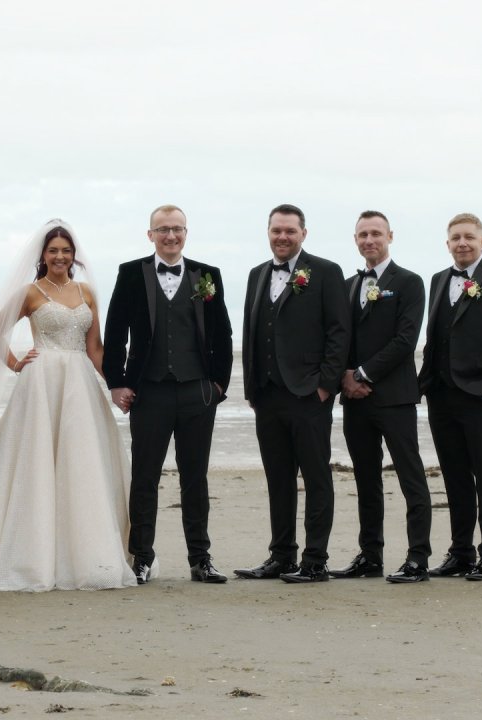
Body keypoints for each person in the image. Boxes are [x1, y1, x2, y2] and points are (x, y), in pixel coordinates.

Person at [0, 219, 138, 591]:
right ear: (43, 255)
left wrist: (116, 385)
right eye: (53, 250)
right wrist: (15, 363)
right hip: (41, 384)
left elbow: (95, 349)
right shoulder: (31, 292)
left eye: (66, 251)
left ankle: (84, 552)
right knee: (37, 463)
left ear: (74, 255)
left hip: (79, 386)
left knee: (81, 463)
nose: (60, 256)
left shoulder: (86, 292)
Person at [102, 204, 234, 585]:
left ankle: (200, 559)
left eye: (177, 229)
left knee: (195, 477)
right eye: (163, 229)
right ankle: (141, 557)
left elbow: (222, 332)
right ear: (151, 235)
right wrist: (117, 382)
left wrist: (218, 384)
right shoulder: (131, 273)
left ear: (186, 233)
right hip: (150, 392)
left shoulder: (207, 275)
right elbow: (115, 332)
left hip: (198, 392)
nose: (170, 235)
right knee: (145, 477)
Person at [235, 204, 349, 584]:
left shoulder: (326, 272)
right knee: (278, 478)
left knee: (316, 478)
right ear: (268, 232)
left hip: (308, 395)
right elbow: (251, 331)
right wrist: (251, 390)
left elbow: (339, 332)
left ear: (303, 233)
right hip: (267, 396)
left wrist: (325, 385)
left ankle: (315, 560)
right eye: (276, 230)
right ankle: (282, 556)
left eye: (289, 230)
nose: (282, 237)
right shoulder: (256, 274)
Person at [418, 212, 482, 581]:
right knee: (454, 476)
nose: (462, 243)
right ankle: (461, 552)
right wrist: (424, 384)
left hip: (480, 397)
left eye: (469, 237)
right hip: (441, 396)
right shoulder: (438, 280)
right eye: (456, 238)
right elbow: (434, 338)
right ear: (448, 243)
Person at [336, 210, 434, 584]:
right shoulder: (348, 285)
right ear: (355, 240)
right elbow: (339, 338)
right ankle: (370, 555)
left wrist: (362, 373)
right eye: (363, 234)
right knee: (366, 479)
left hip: (395, 398)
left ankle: (418, 557)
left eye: (376, 233)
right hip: (356, 401)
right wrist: (345, 376)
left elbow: (405, 340)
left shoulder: (409, 282)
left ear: (390, 236)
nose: (369, 240)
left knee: (411, 478)